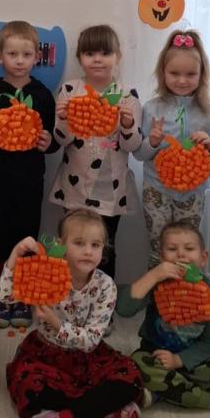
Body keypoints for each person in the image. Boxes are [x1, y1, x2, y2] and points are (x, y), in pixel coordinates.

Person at [2, 209, 144, 418]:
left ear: (104, 248)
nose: (88, 251)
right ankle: (104, 408)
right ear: (61, 245)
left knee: (132, 379)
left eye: (95, 245)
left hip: (90, 356)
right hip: (46, 354)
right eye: (79, 243)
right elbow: (6, 297)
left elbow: (90, 342)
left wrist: (56, 323)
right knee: (29, 388)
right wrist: (15, 255)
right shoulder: (45, 273)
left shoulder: (106, 285)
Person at [116, 220, 210, 415]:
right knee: (134, 365)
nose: (181, 254)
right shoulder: (155, 284)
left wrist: (179, 360)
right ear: (162, 256)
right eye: (172, 249)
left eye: (189, 249)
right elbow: (123, 309)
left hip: (195, 360)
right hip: (155, 356)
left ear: (203, 258)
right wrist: (154, 275)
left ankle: (165, 390)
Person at [0, 20, 57, 329]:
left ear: (36, 57)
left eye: (26, 54)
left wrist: (48, 142)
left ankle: (22, 293)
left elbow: (52, 140)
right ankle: (3, 294)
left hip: (30, 179)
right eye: (12, 54)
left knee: (27, 235)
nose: (19, 61)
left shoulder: (43, 94)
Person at [50, 25, 142, 280]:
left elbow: (133, 146)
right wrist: (64, 119)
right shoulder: (70, 90)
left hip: (110, 188)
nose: (98, 59)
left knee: (104, 250)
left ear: (118, 57)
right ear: (80, 58)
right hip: (75, 186)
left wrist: (127, 124)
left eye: (105, 53)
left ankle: (104, 299)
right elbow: (61, 139)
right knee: (73, 244)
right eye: (90, 53)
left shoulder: (126, 94)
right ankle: (71, 295)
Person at [134, 30, 210, 266]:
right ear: (163, 73)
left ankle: (185, 289)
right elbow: (139, 153)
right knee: (159, 246)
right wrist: (152, 142)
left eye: (190, 74)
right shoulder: (152, 108)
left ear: (202, 74)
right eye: (174, 73)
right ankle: (157, 288)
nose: (182, 81)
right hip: (156, 190)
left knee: (186, 249)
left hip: (193, 193)